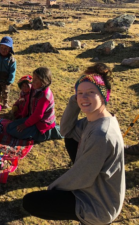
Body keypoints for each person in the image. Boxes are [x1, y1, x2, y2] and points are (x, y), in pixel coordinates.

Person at [22, 63, 125, 225]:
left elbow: (82, 177)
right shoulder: (94, 119)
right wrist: (76, 99)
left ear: (104, 96)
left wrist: (53, 190)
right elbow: (65, 130)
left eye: (91, 92)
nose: (84, 97)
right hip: (95, 188)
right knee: (71, 137)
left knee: (31, 202)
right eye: (80, 92)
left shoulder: (101, 134)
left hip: (98, 207)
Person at [6, 67, 62, 143]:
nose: (33, 82)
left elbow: (38, 115)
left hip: (42, 123)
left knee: (14, 131)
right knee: (10, 127)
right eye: (33, 79)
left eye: (36, 80)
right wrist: (24, 116)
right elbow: (28, 102)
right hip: (33, 118)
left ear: (44, 81)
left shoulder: (45, 96)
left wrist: (25, 125)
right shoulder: (34, 87)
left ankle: (44, 134)